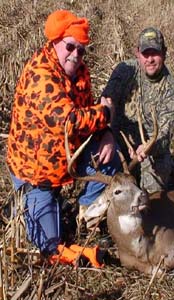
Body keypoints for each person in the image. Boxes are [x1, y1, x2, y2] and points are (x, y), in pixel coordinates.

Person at [6, 10, 120, 266]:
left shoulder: (80, 72)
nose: (76, 55)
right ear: (55, 42)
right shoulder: (41, 75)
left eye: (81, 50)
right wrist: (106, 113)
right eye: (70, 47)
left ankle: (85, 212)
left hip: (68, 157)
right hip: (38, 175)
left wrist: (106, 133)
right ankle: (22, 206)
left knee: (111, 158)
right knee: (49, 247)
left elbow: (87, 109)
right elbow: (70, 122)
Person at [101, 27, 174, 193]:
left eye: (155, 53)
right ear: (137, 53)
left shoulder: (171, 92)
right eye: (146, 53)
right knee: (102, 187)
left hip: (149, 155)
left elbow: (164, 135)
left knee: (150, 201)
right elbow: (107, 100)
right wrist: (106, 133)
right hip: (117, 145)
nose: (150, 59)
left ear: (165, 53)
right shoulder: (125, 70)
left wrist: (148, 147)